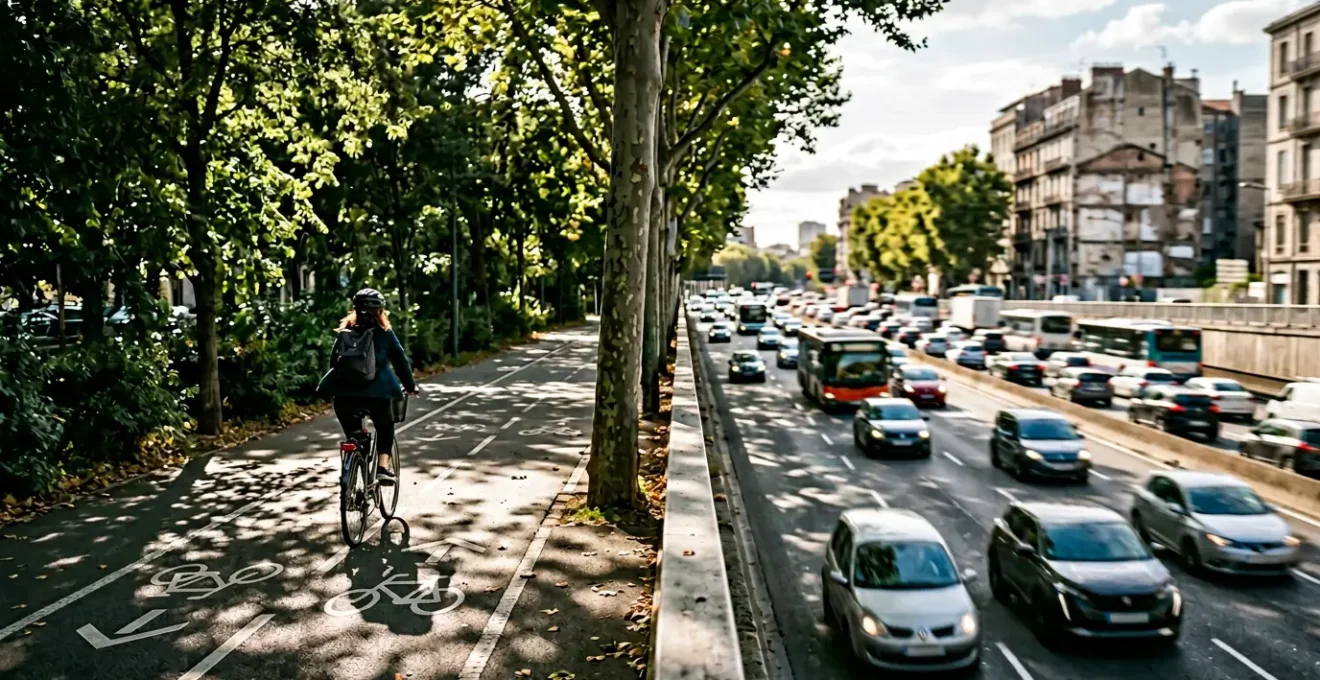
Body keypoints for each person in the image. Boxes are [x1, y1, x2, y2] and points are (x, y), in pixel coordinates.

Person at [317, 288, 417, 485]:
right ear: (380, 311)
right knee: (385, 427)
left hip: (344, 398)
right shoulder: (385, 334)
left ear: (355, 310)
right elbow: (400, 362)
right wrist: (410, 386)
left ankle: (354, 462)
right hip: (377, 396)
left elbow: (334, 364)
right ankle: (382, 467)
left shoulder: (345, 334)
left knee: (354, 436)